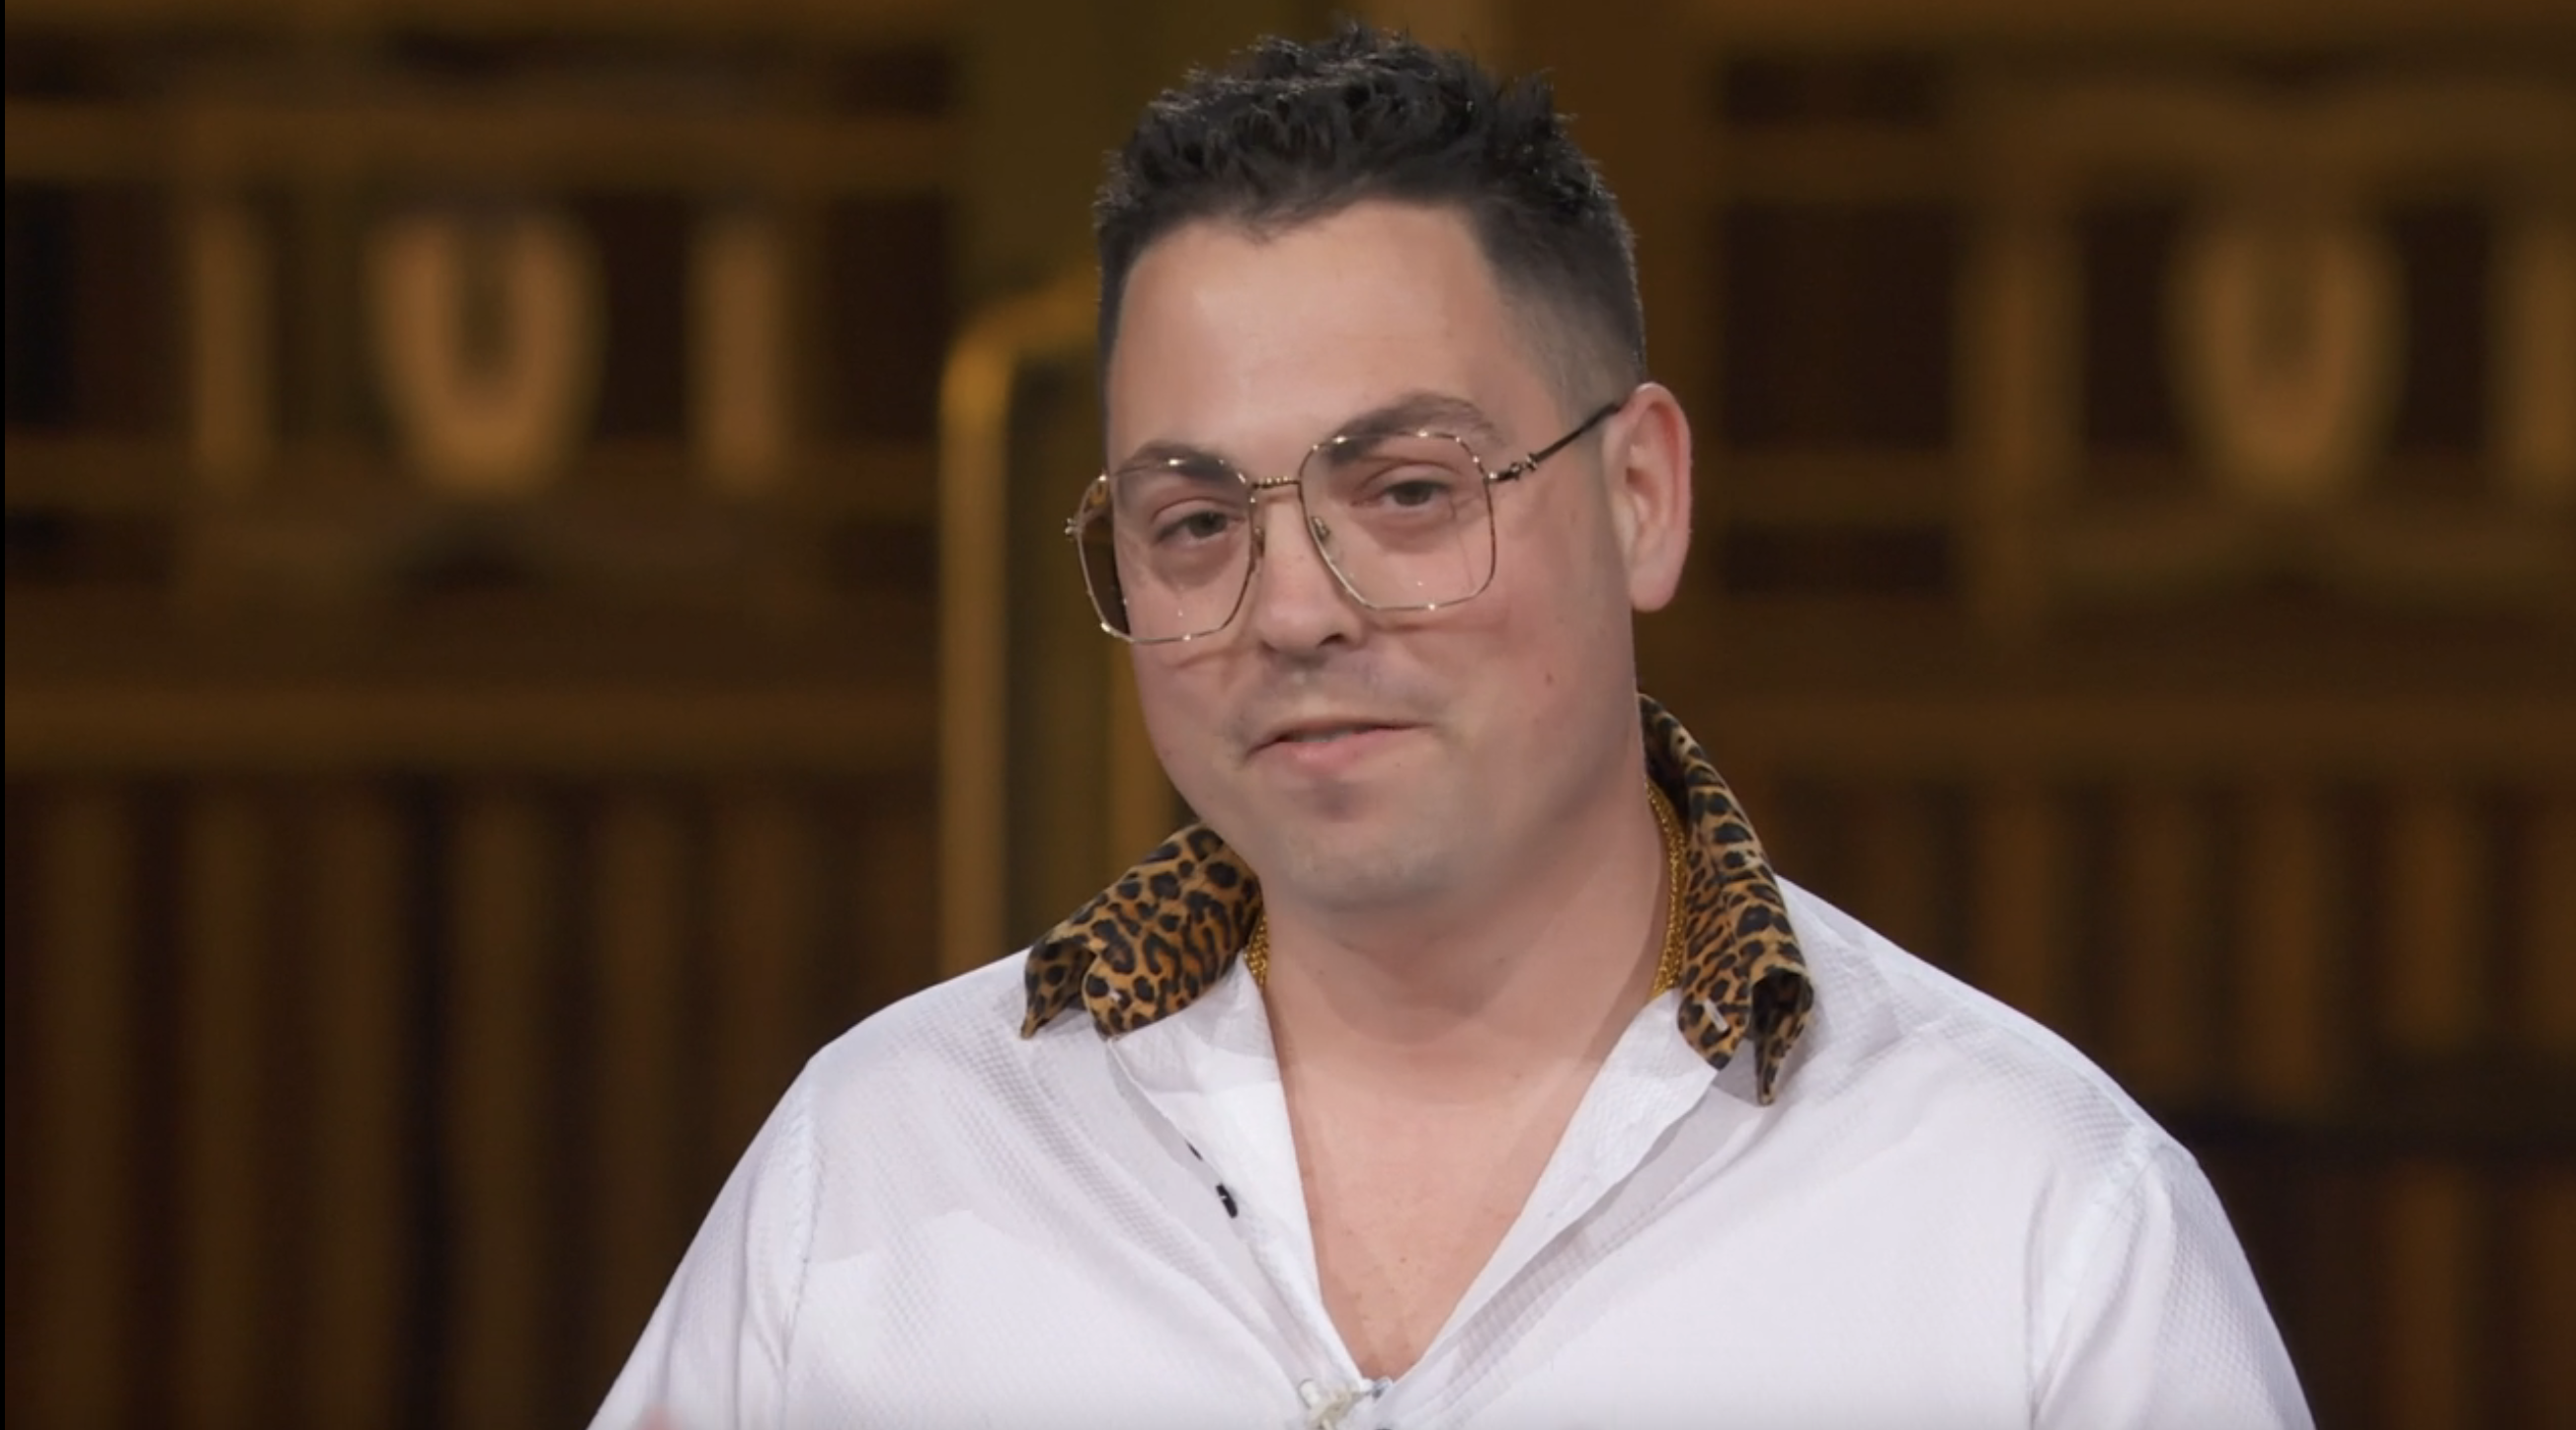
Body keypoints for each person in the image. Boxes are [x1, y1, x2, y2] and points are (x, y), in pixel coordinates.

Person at [593, 25, 2310, 1429]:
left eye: (1406, 490)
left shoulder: (2028, 1224)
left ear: (1640, 495)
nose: (1292, 609)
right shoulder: (886, 1163)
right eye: (1194, 524)